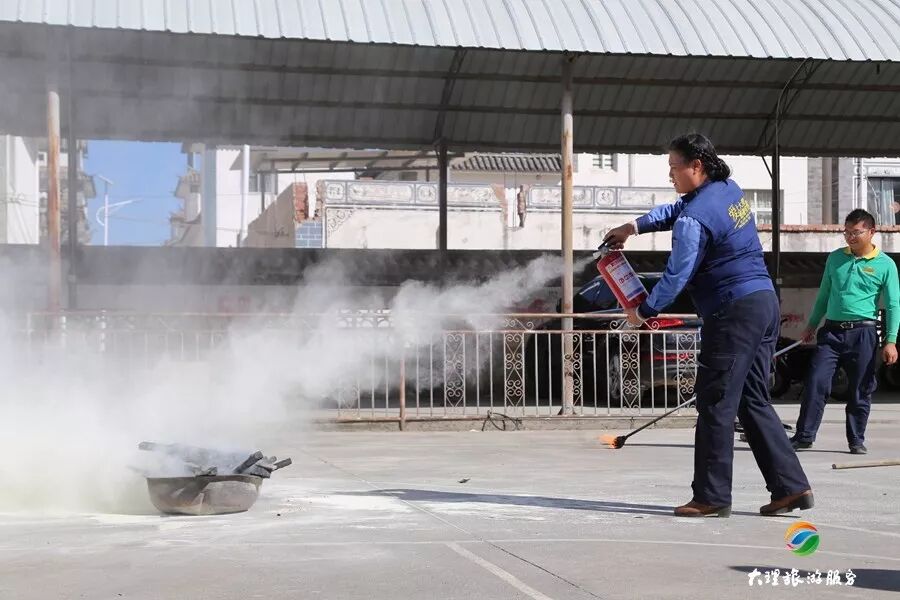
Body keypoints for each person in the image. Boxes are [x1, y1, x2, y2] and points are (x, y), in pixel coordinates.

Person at [604, 133, 812, 517]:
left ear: (696, 166)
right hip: (764, 304)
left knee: (715, 402)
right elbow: (676, 209)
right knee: (752, 399)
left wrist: (643, 312)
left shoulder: (693, 220)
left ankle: (712, 496)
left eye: (674, 167)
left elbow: (676, 276)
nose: (670, 175)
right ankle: (791, 487)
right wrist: (632, 227)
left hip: (732, 313)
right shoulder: (728, 190)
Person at [792, 209, 899, 454]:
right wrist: (811, 325)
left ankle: (856, 440)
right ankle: (804, 436)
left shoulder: (886, 265)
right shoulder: (835, 258)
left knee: (861, 388)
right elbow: (823, 295)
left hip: (863, 333)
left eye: (856, 232)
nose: (850, 237)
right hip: (831, 333)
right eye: (847, 232)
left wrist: (891, 340)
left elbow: (893, 304)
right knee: (816, 382)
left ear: (871, 232)